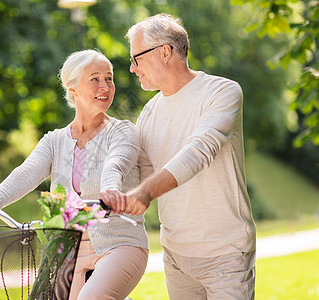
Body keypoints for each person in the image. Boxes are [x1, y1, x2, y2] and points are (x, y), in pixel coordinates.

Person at [0, 49, 148, 300]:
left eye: (109, 78)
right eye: (95, 79)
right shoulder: (54, 141)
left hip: (118, 242)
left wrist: (110, 190)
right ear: (72, 88)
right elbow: (27, 172)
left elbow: (116, 164)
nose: (105, 85)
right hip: (66, 248)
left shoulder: (122, 132)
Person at [101, 13, 256, 299]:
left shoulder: (221, 92)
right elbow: (139, 175)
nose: (133, 69)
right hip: (176, 256)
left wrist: (144, 192)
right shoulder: (149, 113)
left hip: (225, 252)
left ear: (164, 52)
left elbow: (199, 150)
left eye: (137, 59)